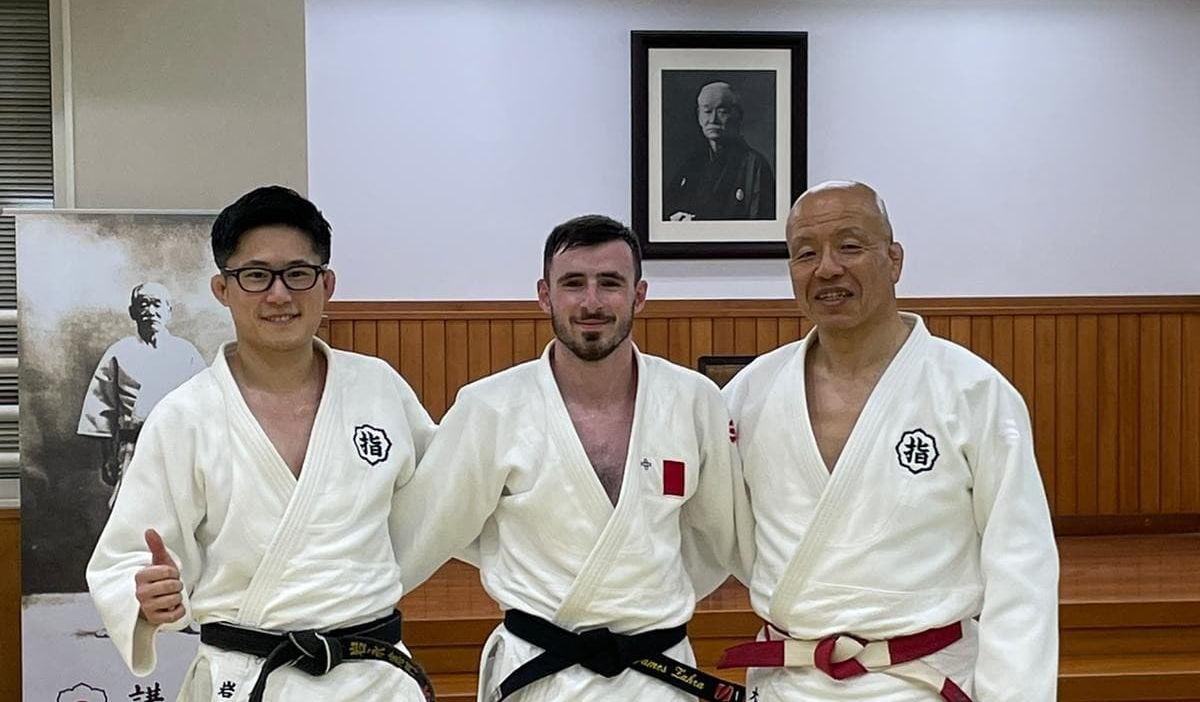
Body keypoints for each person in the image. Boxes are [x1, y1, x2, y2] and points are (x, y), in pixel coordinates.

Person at [87, 186, 437, 702]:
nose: (279, 294)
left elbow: (447, 501)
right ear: (222, 288)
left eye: (298, 273)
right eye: (255, 275)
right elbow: (126, 559)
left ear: (327, 284)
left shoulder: (378, 388)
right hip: (247, 678)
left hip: (374, 679)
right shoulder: (185, 416)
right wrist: (145, 599)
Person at [717, 181, 1058, 701]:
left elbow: (1021, 565)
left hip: (920, 681)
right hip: (788, 683)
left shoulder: (973, 392)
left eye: (850, 246)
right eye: (805, 254)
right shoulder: (750, 394)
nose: (827, 268)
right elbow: (724, 535)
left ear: (894, 260)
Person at [394, 214, 753, 702]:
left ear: (638, 295)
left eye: (610, 283)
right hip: (540, 671)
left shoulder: (693, 400)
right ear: (545, 294)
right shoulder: (490, 406)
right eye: (573, 284)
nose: (591, 302)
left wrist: (639, 589)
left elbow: (722, 537)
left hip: (659, 675)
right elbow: (428, 529)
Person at [77, 281, 207, 508]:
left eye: (156, 304)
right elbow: (101, 407)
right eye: (143, 304)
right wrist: (107, 457)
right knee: (130, 511)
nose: (150, 311)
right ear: (133, 312)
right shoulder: (119, 352)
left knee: (181, 510)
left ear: (169, 311)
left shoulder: (185, 352)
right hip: (132, 448)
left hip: (180, 449)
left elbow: (206, 406)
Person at [664, 81, 775, 221]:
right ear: (699, 116)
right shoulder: (691, 164)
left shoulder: (755, 165)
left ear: (738, 115)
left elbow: (759, 229)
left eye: (722, 112)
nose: (713, 119)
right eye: (707, 111)